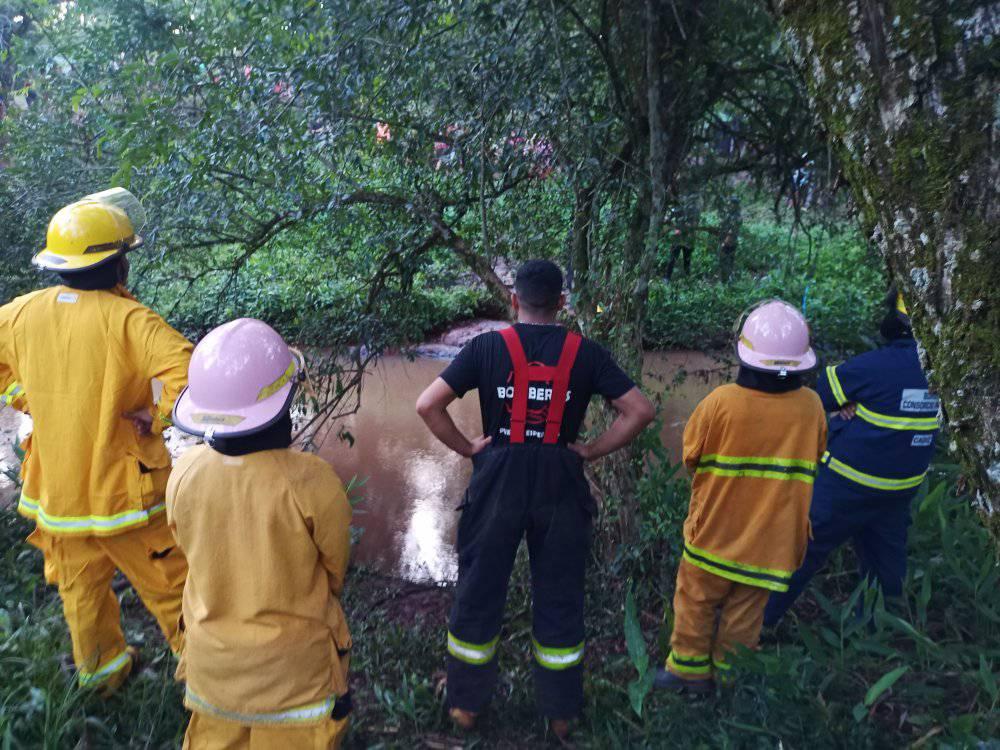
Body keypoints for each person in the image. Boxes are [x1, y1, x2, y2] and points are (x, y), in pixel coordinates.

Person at [415, 260, 655, 738]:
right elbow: (639, 411)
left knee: (480, 588)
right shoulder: (586, 353)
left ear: (514, 301)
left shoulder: (485, 347)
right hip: (560, 480)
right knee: (561, 593)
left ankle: (465, 707)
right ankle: (561, 715)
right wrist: (588, 450)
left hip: (498, 475)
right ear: (561, 303)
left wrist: (468, 448)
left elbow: (427, 405)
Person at [0, 191, 192, 693]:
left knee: (81, 594)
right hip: (125, 499)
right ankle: (208, 676)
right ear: (118, 262)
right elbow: (192, 375)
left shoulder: (19, 313)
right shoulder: (131, 321)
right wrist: (156, 418)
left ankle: (102, 677)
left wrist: (28, 399)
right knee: (173, 588)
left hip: (58, 499)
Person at [167, 318, 353, 750]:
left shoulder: (185, 472)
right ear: (286, 402)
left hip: (213, 671)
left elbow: (185, 548)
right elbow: (335, 568)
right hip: (294, 678)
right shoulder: (312, 481)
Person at [655, 300, 826, 693]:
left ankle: (687, 672)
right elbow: (816, 454)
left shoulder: (720, 403)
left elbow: (691, 456)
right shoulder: (812, 406)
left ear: (743, 353)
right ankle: (733, 680)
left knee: (695, 602)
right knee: (746, 613)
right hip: (774, 542)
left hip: (715, 533)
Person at [763, 289, 939, 627]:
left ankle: (755, 626)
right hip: (898, 494)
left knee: (799, 553)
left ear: (895, 321)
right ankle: (870, 633)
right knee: (885, 569)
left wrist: (847, 405)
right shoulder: (949, 372)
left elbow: (817, 399)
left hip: (843, 487)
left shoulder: (873, 366)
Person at [665, 193, 701, 281]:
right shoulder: (677, 209)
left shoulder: (694, 210)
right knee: (672, 259)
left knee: (687, 260)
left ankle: (687, 280)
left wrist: (684, 229)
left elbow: (694, 224)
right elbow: (669, 219)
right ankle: (667, 278)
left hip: (688, 238)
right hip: (678, 237)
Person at [718, 194, 742, 282]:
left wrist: (725, 242)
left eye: (731, 203)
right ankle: (725, 282)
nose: (729, 205)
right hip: (725, 240)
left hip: (728, 243)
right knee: (724, 263)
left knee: (726, 263)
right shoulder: (730, 214)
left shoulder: (735, 216)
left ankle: (726, 283)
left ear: (734, 204)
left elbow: (732, 231)